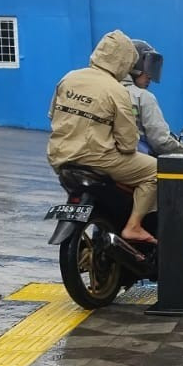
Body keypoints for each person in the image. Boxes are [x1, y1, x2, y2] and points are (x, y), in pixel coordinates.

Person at [123, 39, 183, 297]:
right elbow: (159, 138)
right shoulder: (142, 97)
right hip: (135, 164)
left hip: (100, 162)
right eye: (147, 68)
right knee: (179, 213)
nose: (149, 76)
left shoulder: (105, 90)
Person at [47, 30, 157, 244]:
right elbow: (128, 143)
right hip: (97, 159)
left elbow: (52, 115)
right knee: (155, 171)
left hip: (60, 157)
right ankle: (133, 225)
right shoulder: (116, 90)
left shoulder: (69, 78)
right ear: (125, 61)